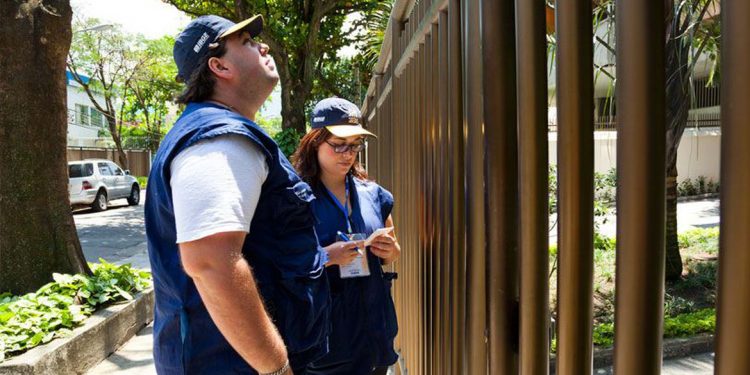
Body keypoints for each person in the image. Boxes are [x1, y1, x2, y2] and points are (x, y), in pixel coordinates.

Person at [145, 15, 339, 375]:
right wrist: (276, 367)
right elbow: (209, 261)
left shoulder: (221, 132)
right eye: (247, 41)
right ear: (219, 66)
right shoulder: (219, 138)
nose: (263, 46)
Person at [292, 98, 401, 375]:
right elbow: (282, 265)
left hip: (375, 334)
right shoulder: (295, 200)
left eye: (354, 145)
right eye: (338, 145)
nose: (347, 153)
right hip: (325, 342)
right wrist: (328, 256)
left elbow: (393, 253)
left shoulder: (373, 194)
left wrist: (389, 250)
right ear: (315, 142)